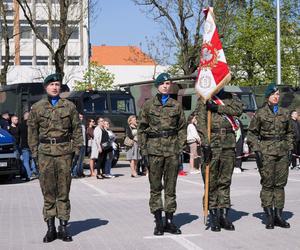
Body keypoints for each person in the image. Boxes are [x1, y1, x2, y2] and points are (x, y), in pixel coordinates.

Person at [28, 73, 82, 242]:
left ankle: (64, 227)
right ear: (46, 87)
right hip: (45, 154)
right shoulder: (37, 107)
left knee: (64, 191)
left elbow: (77, 131)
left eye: (57, 84)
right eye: (51, 85)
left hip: (65, 153)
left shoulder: (69, 107)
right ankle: (50, 228)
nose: (55, 87)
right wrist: (35, 154)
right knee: (48, 192)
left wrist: (76, 151)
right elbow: (32, 133)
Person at [138, 73, 186, 236]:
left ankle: (170, 221)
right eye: (163, 83)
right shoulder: (148, 105)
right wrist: (143, 151)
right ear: (157, 86)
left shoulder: (176, 105)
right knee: (156, 187)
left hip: (172, 150)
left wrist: (180, 147)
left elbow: (182, 128)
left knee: (171, 187)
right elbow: (142, 129)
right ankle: (158, 221)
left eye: (168, 83)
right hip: (154, 151)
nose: (166, 86)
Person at [194, 88, 243, 232]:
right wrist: (205, 142)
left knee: (225, 181)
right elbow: (201, 122)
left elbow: (238, 110)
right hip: (212, 142)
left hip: (228, 143)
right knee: (211, 181)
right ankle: (214, 215)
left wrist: (218, 108)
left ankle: (223, 216)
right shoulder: (204, 98)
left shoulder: (230, 96)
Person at [247, 83, 294, 229]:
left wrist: (289, 147)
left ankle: (278, 216)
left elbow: (290, 133)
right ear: (268, 96)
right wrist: (257, 150)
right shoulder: (260, 113)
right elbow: (252, 134)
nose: (276, 96)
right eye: (274, 94)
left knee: (280, 185)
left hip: (282, 152)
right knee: (268, 184)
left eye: (278, 94)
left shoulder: (284, 112)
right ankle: (269, 216)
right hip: (266, 152)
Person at [19, 111, 38, 181]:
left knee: (26, 161)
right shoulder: (33, 124)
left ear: (24, 117)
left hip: (24, 145)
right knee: (34, 159)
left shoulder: (20, 125)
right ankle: (34, 171)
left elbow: (18, 136)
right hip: (33, 144)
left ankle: (29, 175)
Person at [72, 113, 86, 178]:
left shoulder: (83, 125)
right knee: (76, 159)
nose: (81, 118)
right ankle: (74, 173)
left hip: (83, 144)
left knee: (81, 160)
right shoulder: (75, 125)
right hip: (77, 144)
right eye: (80, 117)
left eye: (82, 117)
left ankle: (80, 172)